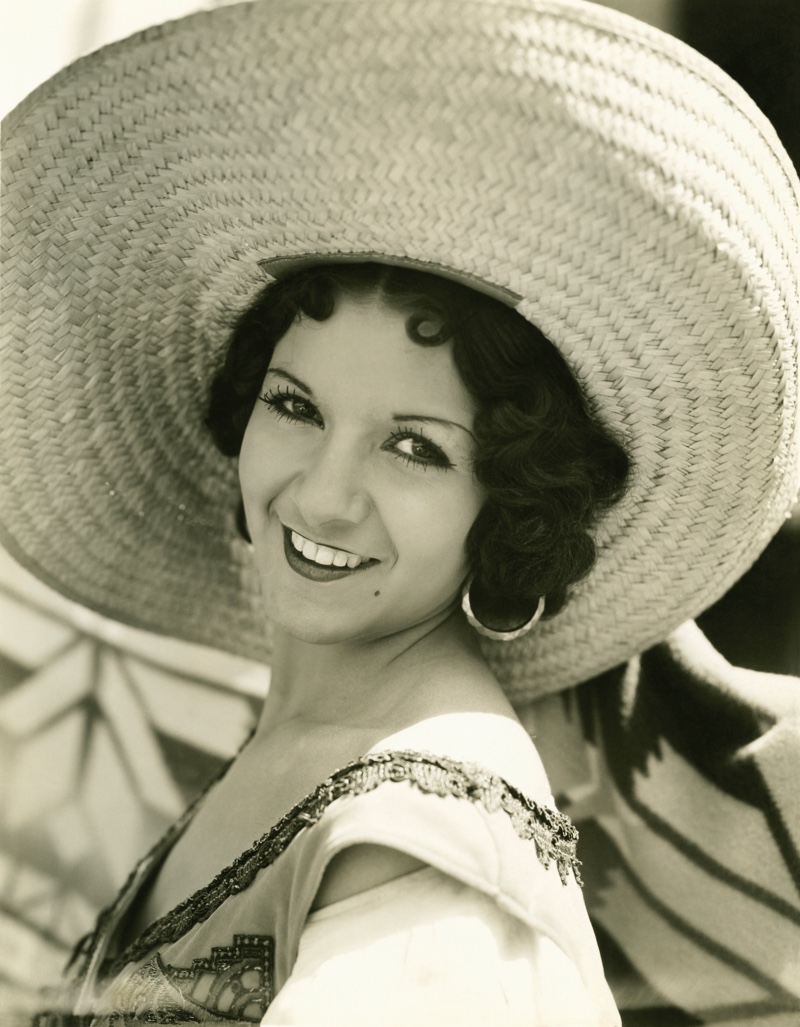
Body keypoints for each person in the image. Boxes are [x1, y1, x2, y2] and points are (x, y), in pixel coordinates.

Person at [1, 0, 797, 1024]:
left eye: (414, 447)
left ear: (507, 499)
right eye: (294, 406)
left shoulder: (432, 855)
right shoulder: (314, 738)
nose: (324, 494)